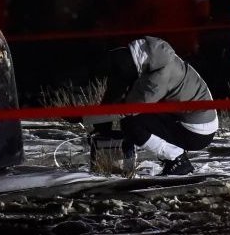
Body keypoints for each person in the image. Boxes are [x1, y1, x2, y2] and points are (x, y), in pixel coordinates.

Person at [87, 36, 218, 176]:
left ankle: (177, 159)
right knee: (136, 118)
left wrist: (85, 118)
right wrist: (102, 125)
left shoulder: (158, 78)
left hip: (197, 133)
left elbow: (128, 109)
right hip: (190, 120)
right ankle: (171, 154)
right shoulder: (155, 60)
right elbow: (119, 92)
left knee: (132, 124)